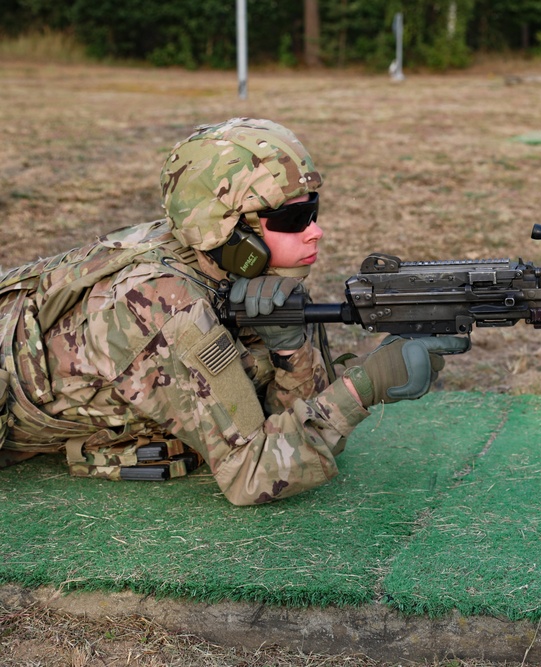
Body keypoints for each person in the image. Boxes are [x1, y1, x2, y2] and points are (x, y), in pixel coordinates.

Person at [0, 117, 469, 505]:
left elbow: (283, 423)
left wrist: (290, 351)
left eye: (313, 211)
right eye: (292, 219)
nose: (316, 232)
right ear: (231, 232)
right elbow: (254, 474)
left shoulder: (216, 264)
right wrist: (364, 386)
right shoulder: (164, 304)